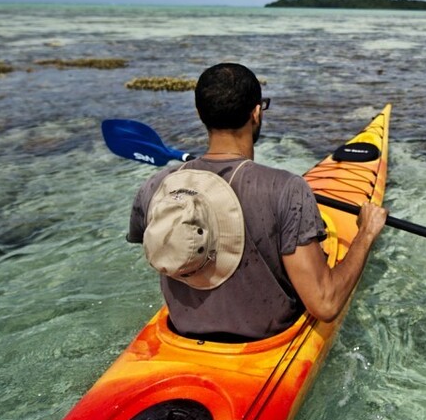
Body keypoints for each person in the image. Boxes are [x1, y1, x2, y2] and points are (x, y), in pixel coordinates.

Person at [127, 62, 388, 340]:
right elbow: (325, 304)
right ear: (256, 112)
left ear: (199, 113)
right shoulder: (287, 189)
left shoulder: (156, 186)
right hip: (266, 343)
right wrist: (366, 233)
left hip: (181, 334)